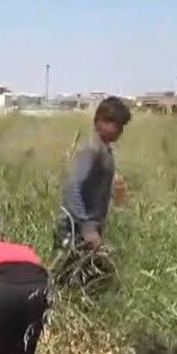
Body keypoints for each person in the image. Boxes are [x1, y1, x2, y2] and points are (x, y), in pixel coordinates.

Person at [55, 96, 131, 250]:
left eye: (121, 126)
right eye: (115, 124)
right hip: (76, 232)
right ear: (99, 122)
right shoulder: (92, 150)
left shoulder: (104, 149)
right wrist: (86, 226)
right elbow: (72, 187)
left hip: (88, 230)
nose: (119, 130)